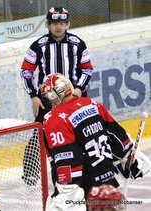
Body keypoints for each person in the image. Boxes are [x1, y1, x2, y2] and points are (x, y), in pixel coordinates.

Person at [41, 73, 151, 211]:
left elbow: (67, 158)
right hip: (108, 186)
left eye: (48, 95)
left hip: (85, 190)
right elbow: (117, 137)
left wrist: (68, 193)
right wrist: (128, 160)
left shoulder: (54, 118)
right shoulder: (92, 104)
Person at [20, 6, 94, 185]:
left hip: (73, 96)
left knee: (82, 130)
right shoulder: (38, 45)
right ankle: (30, 172)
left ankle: (88, 164)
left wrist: (78, 88)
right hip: (47, 99)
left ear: (67, 24)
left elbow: (87, 69)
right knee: (41, 132)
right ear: (49, 25)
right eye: (54, 23)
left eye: (61, 23)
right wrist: (33, 95)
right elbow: (25, 71)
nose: (58, 27)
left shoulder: (78, 43)